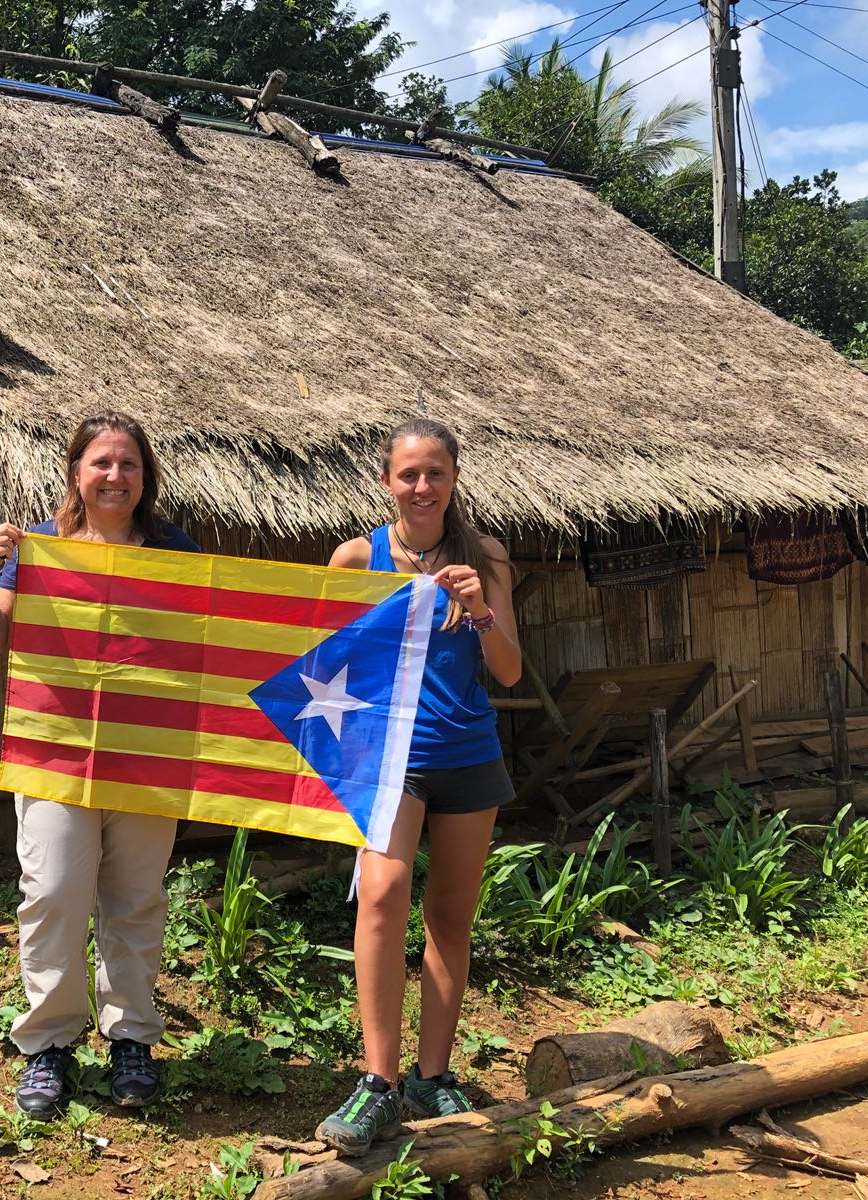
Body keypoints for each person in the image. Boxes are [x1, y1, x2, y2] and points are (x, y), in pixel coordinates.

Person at [0, 410, 200, 1119]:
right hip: (55, 752)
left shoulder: (173, 550)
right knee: (54, 895)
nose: (115, 476)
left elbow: (206, 646)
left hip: (145, 756)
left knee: (134, 899)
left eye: (128, 464)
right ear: (76, 471)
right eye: (102, 462)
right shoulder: (38, 548)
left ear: (144, 477)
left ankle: (130, 1036)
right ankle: (48, 1045)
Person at [314, 417, 523, 1154]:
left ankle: (432, 1074)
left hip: (468, 753)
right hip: (389, 760)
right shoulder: (354, 558)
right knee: (380, 892)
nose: (422, 486)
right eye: (408, 474)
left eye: (435, 472)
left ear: (455, 478)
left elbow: (508, 671)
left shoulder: (486, 555)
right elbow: (317, 667)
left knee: (451, 918)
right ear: (386, 482)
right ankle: (378, 1081)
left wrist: (481, 610)